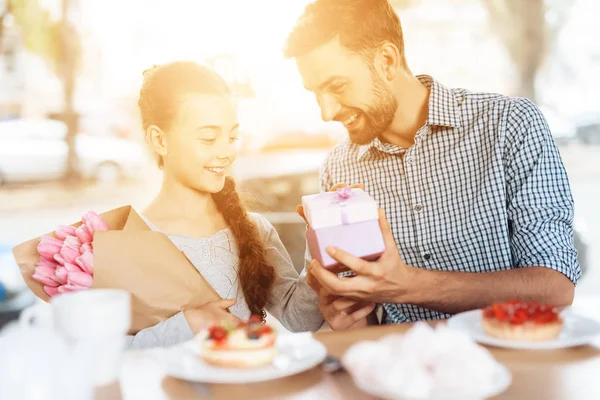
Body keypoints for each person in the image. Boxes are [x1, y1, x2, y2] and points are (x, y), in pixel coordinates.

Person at [285, 0, 581, 330]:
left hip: (510, 364)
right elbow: (365, 313)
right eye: (315, 93)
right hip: (404, 370)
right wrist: (351, 313)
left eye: (337, 86)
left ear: (387, 61)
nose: (326, 112)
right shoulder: (339, 168)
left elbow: (554, 288)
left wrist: (411, 285)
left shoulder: (510, 125)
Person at [126, 61, 322, 348]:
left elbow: (301, 319)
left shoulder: (253, 229)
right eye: (208, 138)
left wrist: (320, 257)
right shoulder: (130, 242)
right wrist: (189, 324)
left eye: (232, 137)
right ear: (159, 139)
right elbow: (109, 353)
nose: (226, 152)